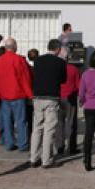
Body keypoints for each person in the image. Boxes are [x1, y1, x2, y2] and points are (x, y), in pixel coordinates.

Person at [30, 39, 66, 168]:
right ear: (58, 49)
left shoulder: (38, 60)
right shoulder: (60, 62)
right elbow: (63, 79)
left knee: (37, 128)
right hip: (52, 97)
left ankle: (33, 158)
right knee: (49, 129)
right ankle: (46, 160)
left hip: (37, 97)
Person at [0, 37, 33, 152]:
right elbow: (25, 79)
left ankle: (9, 143)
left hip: (4, 95)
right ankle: (22, 144)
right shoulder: (19, 59)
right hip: (18, 95)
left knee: (7, 121)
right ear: (14, 46)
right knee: (21, 121)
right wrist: (30, 94)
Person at [58, 57, 81, 155]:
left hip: (58, 97)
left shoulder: (56, 68)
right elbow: (78, 85)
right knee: (71, 123)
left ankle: (60, 146)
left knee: (59, 123)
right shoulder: (74, 69)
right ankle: (71, 147)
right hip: (70, 97)